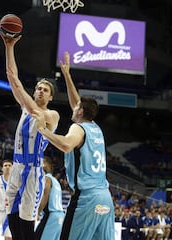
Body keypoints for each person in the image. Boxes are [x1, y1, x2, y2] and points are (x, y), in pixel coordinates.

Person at [32, 51, 115, 240]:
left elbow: (67, 145)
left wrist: (44, 130)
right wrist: (67, 75)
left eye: (77, 108)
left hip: (86, 199)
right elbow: (76, 102)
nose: (73, 107)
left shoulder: (78, 128)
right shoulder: (95, 127)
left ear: (81, 112)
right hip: (105, 199)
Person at [0, 31, 60, 240]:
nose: (40, 91)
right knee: (12, 219)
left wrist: (18, 84)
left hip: (33, 172)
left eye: (45, 90)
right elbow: (11, 76)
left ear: (51, 96)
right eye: (38, 88)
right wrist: (9, 46)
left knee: (27, 225)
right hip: (17, 167)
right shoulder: (26, 108)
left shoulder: (51, 115)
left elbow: (17, 83)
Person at [35, 156, 65, 240]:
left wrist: (37, 212)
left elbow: (45, 195)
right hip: (60, 217)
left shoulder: (47, 178)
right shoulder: (55, 181)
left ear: (48, 165)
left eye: (42, 163)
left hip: (51, 216)